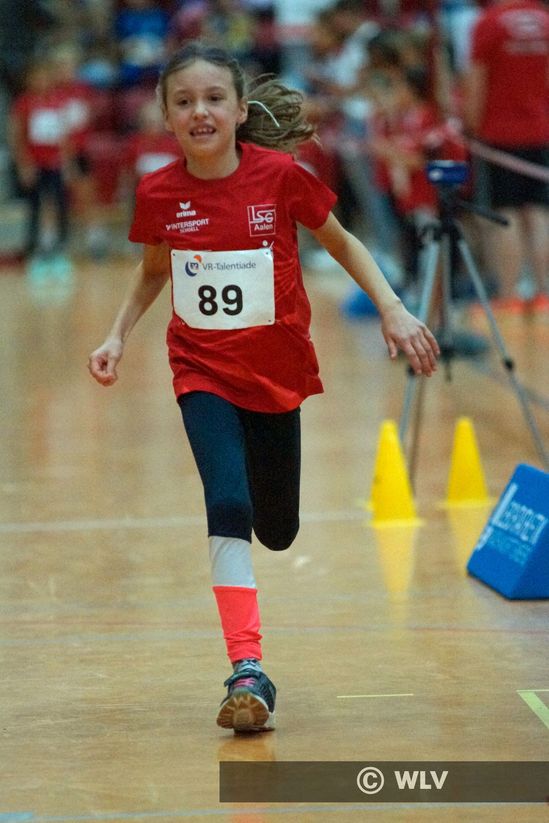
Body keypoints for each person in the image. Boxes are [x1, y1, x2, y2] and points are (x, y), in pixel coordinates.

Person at [88, 42, 439, 734]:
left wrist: (394, 308)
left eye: (214, 98)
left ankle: (259, 543)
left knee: (277, 529)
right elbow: (155, 269)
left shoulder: (280, 177)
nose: (200, 111)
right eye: (184, 101)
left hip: (276, 375)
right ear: (165, 114)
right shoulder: (158, 192)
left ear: (240, 110)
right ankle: (246, 668)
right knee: (226, 502)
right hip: (201, 370)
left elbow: (341, 242)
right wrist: (117, 334)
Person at [463, 0, 549, 312]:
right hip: (541, 130)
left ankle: (510, 294)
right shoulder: (544, 20)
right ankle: (543, 292)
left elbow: (477, 79)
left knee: (507, 213)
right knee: (538, 213)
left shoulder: (489, 23)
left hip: (500, 135)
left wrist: (470, 126)